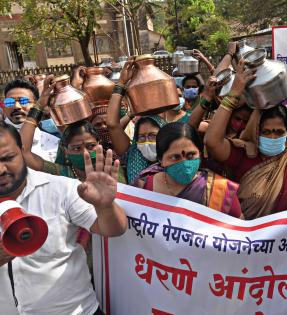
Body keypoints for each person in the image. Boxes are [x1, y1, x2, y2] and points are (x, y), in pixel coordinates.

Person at [0, 122, 127, 314]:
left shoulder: (62, 188)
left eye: (8, 158)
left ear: (22, 151)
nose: (1, 169)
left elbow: (114, 229)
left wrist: (105, 207)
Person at [205, 60, 287, 219]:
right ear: (256, 133)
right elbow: (212, 141)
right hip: (244, 238)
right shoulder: (244, 153)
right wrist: (234, 93)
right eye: (266, 132)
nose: (272, 137)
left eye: (278, 132)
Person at [135, 122, 242, 218]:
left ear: (200, 154)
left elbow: (238, 231)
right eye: (175, 157)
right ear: (160, 160)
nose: (184, 163)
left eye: (190, 155)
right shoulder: (143, 187)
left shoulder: (221, 191)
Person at [3, 78, 59, 162]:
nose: (17, 106)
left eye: (24, 101)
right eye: (9, 102)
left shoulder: (54, 144)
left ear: (36, 104)